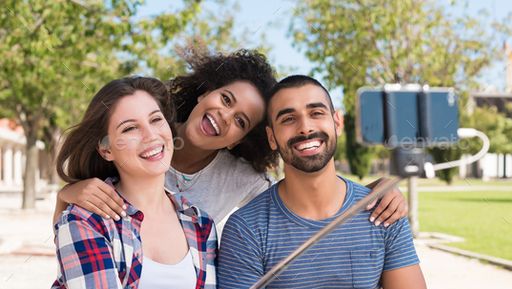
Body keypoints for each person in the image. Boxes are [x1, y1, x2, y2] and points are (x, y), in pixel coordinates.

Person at [54, 50, 408, 233]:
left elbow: (302, 205)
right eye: (225, 99)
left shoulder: (240, 180)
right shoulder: (142, 131)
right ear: (206, 89)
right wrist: (66, 193)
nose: (225, 116)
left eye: (241, 121)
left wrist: (373, 191)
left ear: (241, 139)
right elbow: (67, 229)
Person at [28, 77, 245, 289]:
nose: (150, 136)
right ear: (106, 149)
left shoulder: (201, 226)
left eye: (156, 120)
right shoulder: (84, 219)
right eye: (130, 128)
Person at [218, 75, 432, 289]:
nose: (305, 127)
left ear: (337, 122)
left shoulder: (383, 210)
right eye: (288, 119)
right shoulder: (246, 228)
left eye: (316, 113)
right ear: (271, 137)